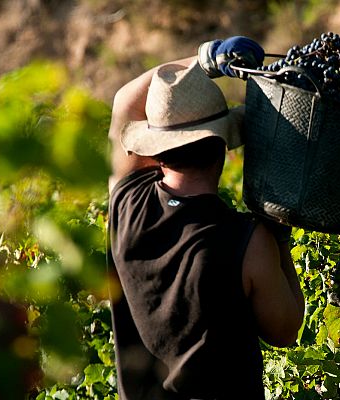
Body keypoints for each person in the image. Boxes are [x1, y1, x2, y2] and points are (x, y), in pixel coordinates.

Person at [106, 36, 304, 400]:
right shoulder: (248, 241)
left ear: (156, 153)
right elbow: (285, 330)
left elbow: (124, 101)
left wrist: (204, 59)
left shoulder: (127, 203)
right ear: (223, 149)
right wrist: (280, 240)